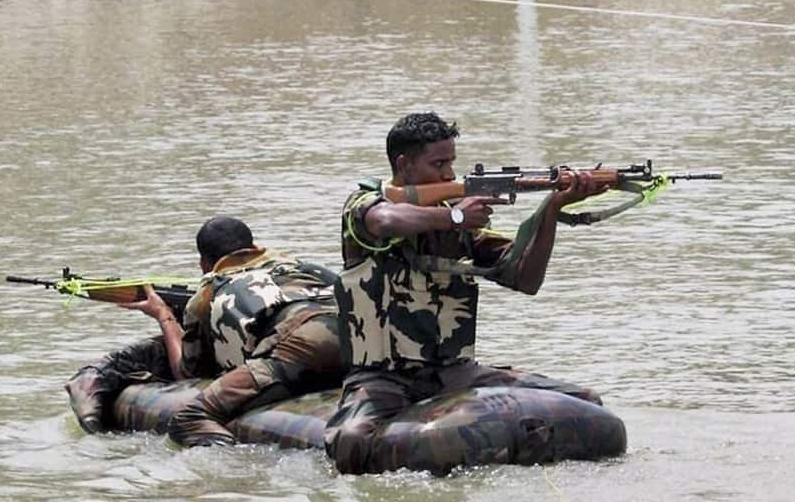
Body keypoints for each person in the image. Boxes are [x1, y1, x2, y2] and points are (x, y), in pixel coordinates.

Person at [324, 112, 606, 474]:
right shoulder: (364, 205)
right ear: (404, 164)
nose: (448, 174)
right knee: (352, 443)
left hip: (455, 373)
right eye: (438, 164)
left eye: (451, 163)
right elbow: (386, 222)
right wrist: (454, 218)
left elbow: (526, 279)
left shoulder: (460, 222)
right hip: (383, 377)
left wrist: (552, 207)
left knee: (585, 402)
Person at [119, 216, 344, 446]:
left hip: (304, 348)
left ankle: (240, 475)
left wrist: (164, 315)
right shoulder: (304, 267)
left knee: (190, 418)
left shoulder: (206, 295)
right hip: (365, 339)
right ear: (255, 247)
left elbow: (187, 376)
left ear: (203, 264)